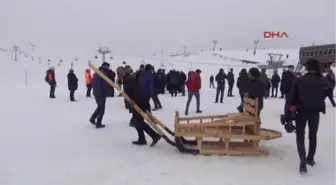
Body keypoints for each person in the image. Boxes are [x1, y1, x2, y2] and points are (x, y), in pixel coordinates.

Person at [285, 59, 326, 174]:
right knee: (313, 136)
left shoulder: (299, 81)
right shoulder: (321, 81)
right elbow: (327, 91)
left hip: (300, 112)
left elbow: (290, 98)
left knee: (300, 136)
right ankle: (310, 158)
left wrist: (288, 114)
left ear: (307, 68)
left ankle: (302, 160)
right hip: (315, 113)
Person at [120, 66, 161, 146]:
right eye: (117, 73)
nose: (118, 74)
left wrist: (133, 101)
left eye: (119, 72)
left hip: (139, 102)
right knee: (137, 122)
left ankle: (154, 135)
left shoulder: (129, 79)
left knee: (138, 122)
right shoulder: (126, 79)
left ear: (124, 71)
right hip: (137, 103)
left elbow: (136, 91)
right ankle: (142, 139)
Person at [89, 62, 110, 128]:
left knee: (100, 107)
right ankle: (98, 123)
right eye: (107, 66)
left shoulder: (102, 73)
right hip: (99, 94)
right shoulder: (99, 73)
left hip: (101, 93)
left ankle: (92, 118)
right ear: (104, 66)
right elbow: (96, 85)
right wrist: (99, 93)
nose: (108, 68)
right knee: (101, 108)